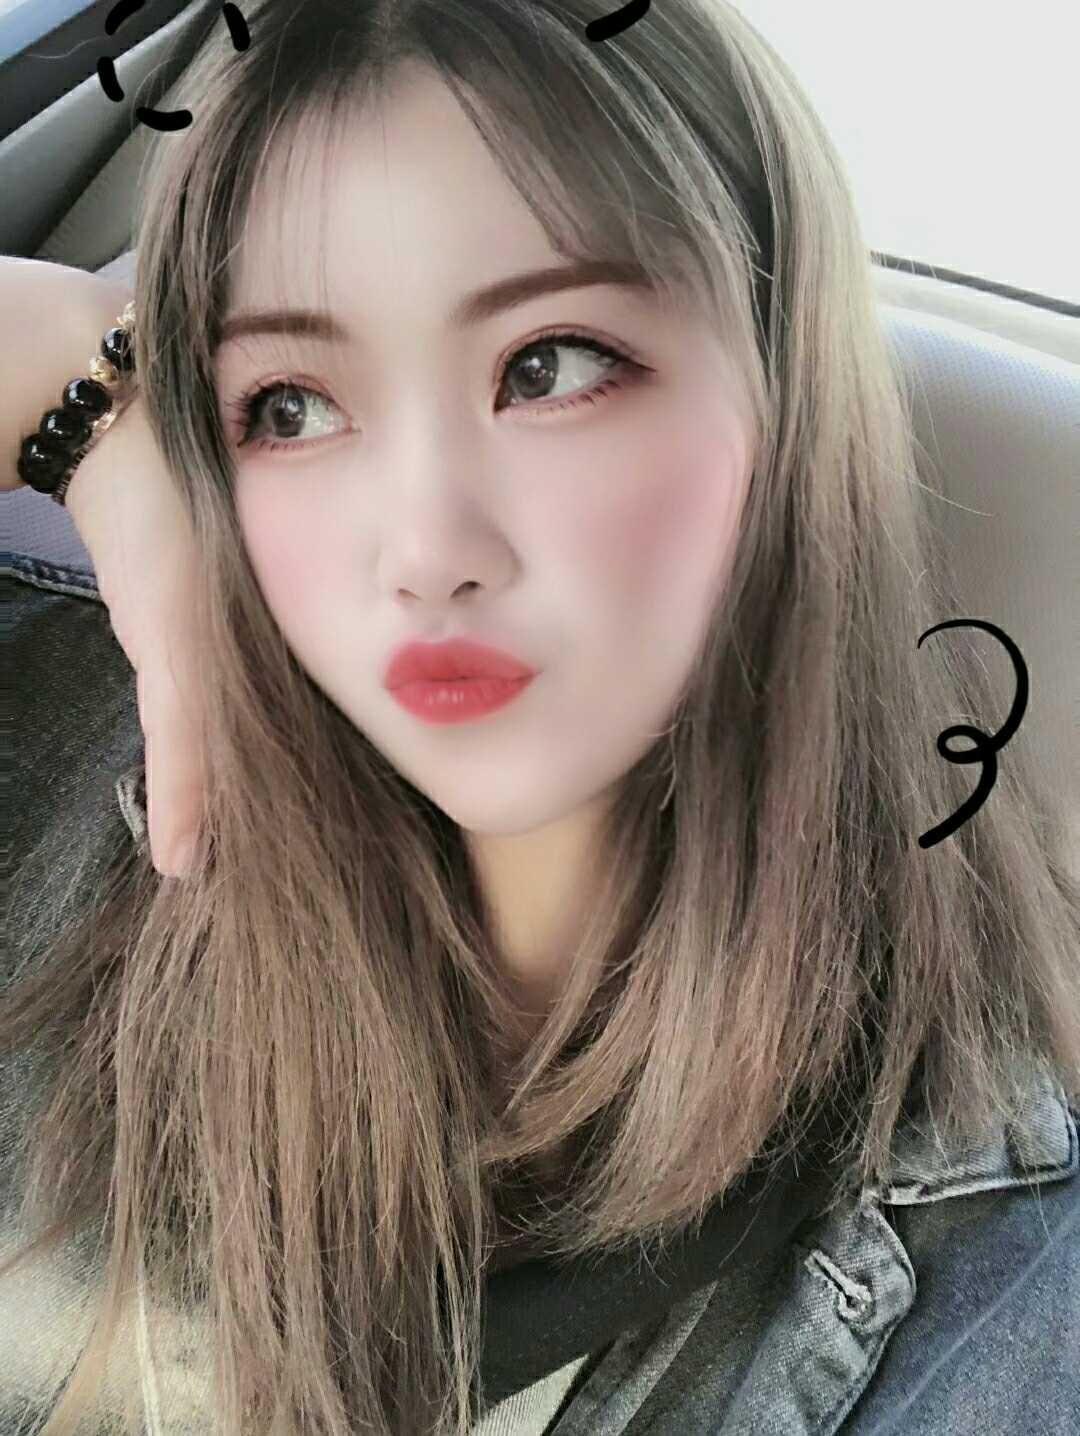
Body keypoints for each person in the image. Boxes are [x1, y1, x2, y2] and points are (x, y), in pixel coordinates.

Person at [2, 2, 1078, 1433]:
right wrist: (84, 405)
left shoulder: (1001, 1293)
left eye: (549, 366)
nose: (424, 549)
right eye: (292, 406)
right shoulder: (66, 754)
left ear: (784, 399)